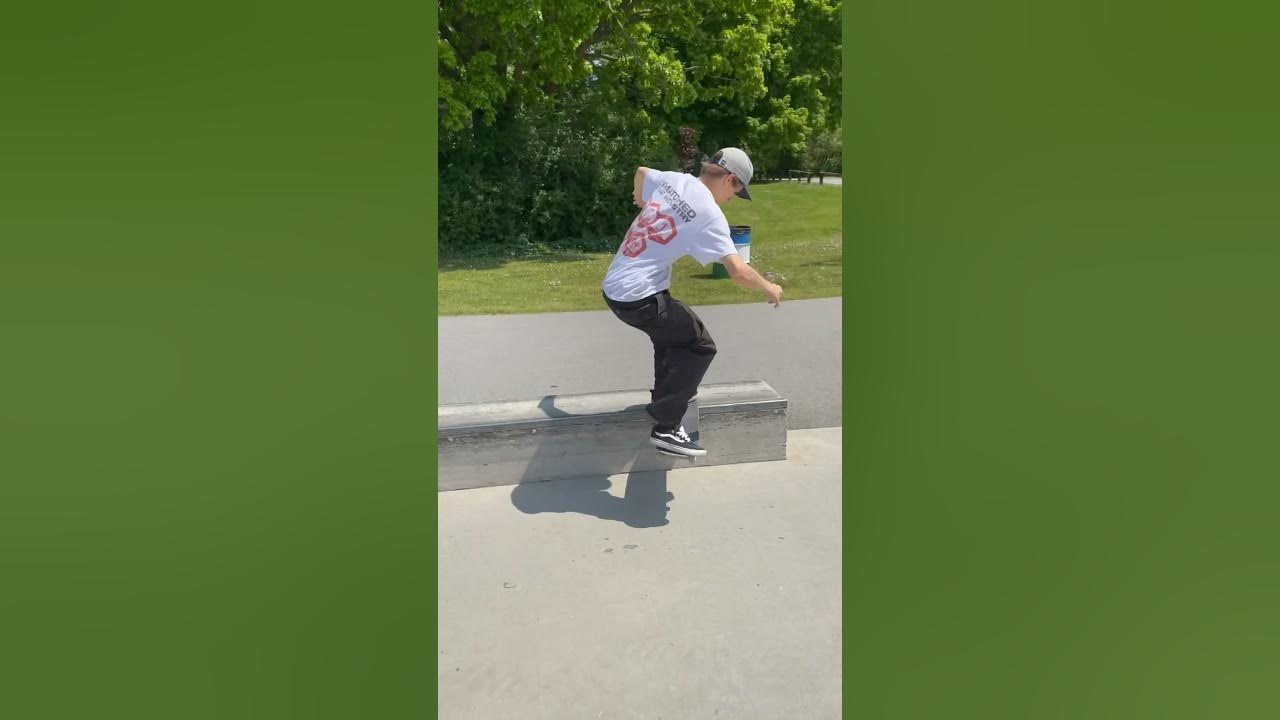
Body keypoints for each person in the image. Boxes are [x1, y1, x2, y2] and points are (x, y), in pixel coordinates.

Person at [601, 147, 784, 457]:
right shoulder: (709, 214)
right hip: (639, 297)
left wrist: (640, 198)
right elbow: (738, 271)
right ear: (729, 179)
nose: (730, 200)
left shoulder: (674, 181)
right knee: (700, 345)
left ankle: (664, 403)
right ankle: (667, 427)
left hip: (616, 290)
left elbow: (642, 171)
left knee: (672, 338)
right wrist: (770, 288)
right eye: (736, 193)